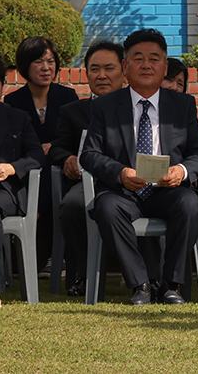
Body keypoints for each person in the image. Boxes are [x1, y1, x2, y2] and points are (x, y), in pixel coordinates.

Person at [79, 29, 198, 306]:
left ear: (165, 66)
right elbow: (89, 154)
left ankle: (170, 285)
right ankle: (140, 284)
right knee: (106, 208)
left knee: (190, 206)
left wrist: (182, 171)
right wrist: (121, 173)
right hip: (124, 192)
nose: (146, 65)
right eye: (138, 59)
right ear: (125, 67)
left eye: (154, 59)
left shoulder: (183, 104)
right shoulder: (105, 106)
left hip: (168, 190)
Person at [48, 41, 126, 296]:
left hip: (129, 183)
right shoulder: (72, 111)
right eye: (94, 69)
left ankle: (146, 277)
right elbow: (57, 147)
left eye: (109, 68)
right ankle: (83, 275)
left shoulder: (137, 108)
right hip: (87, 183)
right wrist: (67, 157)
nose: (101, 75)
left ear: (123, 71)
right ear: (86, 74)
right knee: (71, 205)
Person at [4, 36, 79, 277]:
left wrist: (53, 146)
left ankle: (35, 217)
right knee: (40, 168)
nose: (46, 68)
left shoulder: (68, 96)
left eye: (50, 61)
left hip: (61, 166)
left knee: (50, 169)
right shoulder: (13, 101)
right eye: (38, 62)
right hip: (29, 169)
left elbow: (74, 136)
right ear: (25, 65)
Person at [0, 57, 45, 307]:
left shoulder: (17, 117)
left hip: (6, 192)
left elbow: (37, 156)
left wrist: (11, 168)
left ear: (3, 85)